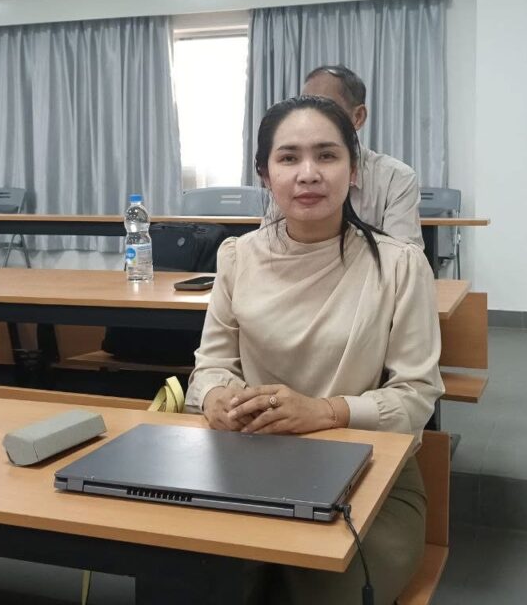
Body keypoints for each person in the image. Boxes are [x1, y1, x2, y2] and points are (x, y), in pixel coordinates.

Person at [185, 95, 443, 605]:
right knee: (201, 574)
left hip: (370, 472)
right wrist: (217, 399)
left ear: (354, 169)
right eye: (288, 158)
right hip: (251, 462)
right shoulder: (237, 257)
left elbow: (416, 396)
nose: (309, 174)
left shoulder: (399, 266)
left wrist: (324, 412)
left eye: (327, 155)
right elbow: (211, 366)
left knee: (326, 587)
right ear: (265, 174)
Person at [301, 65, 423, 248]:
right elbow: (271, 248)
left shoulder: (396, 178)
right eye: (304, 108)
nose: (310, 119)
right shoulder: (293, 176)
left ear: (358, 117)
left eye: (324, 108)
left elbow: (404, 259)